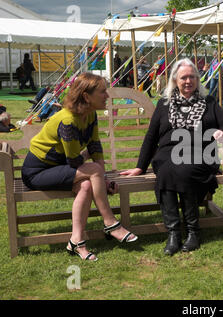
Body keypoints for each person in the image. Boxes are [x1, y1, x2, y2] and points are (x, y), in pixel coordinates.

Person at [120, 58, 223, 256]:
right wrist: (140, 166)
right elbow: (151, 136)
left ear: (198, 80)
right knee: (167, 169)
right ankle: (174, 233)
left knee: (183, 168)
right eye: (184, 78)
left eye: (192, 77)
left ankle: (192, 231)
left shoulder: (209, 102)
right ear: (175, 80)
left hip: (200, 155)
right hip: (167, 155)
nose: (188, 81)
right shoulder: (164, 104)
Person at [21, 73, 138, 261]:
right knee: (93, 171)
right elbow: (75, 162)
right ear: (86, 96)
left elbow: (94, 146)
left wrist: (104, 180)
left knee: (86, 185)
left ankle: (76, 242)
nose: (107, 96)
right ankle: (110, 223)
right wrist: (102, 176)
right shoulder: (68, 121)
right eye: (102, 92)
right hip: (37, 173)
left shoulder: (90, 114)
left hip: (59, 167)